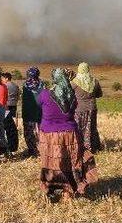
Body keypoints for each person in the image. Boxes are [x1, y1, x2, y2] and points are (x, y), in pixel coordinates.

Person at [38, 68, 97, 199]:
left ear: (54, 79)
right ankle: (68, 192)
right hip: (70, 133)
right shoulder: (72, 96)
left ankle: (52, 188)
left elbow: (40, 105)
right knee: (70, 162)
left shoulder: (44, 94)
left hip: (49, 135)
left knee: (51, 163)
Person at [71, 63, 103, 153]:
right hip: (92, 108)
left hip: (79, 109)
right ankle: (93, 147)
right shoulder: (95, 81)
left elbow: (69, 95)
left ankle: (80, 147)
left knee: (79, 128)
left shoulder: (74, 83)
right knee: (92, 127)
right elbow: (100, 94)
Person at [21, 67, 43, 157]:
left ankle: (31, 150)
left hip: (28, 112)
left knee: (28, 131)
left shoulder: (25, 85)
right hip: (39, 111)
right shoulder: (42, 84)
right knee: (39, 131)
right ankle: (40, 149)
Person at [0, 72, 19, 155]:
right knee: (12, 127)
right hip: (14, 106)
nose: (2, 80)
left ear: (7, 78)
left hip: (6, 107)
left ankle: (7, 147)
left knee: (6, 128)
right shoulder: (16, 86)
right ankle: (12, 148)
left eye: (3, 78)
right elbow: (18, 96)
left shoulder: (5, 86)